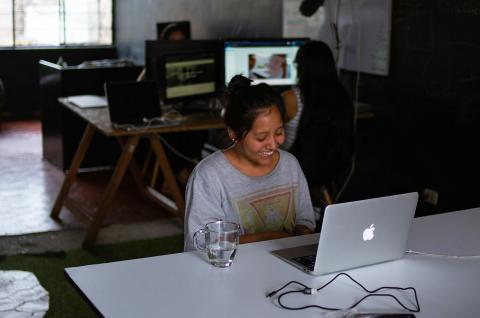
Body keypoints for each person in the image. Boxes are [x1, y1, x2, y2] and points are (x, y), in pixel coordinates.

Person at [184, 75, 316, 251]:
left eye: (278, 132)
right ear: (233, 133)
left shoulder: (290, 165)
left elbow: (305, 223)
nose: (273, 144)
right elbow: (202, 243)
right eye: (261, 137)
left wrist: (302, 233)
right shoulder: (208, 176)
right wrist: (278, 238)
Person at [281, 41, 354, 202]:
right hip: (331, 173)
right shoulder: (343, 98)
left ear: (301, 67)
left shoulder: (292, 98)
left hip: (295, 170)